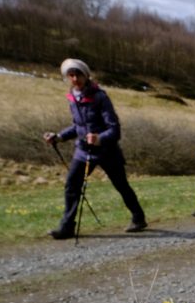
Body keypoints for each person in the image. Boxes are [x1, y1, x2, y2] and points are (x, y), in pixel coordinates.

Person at [43, 58, 147, 240]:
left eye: (78, 75)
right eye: (71, 75)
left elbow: (115, 129)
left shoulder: (100, 97)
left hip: (108, 152)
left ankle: (138, 218)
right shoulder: (73, 98)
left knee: (121, 185)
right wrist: (58, 137)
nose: (74, 79)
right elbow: (78, 126)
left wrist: (100, 138)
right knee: (72, 186)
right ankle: (67, 227)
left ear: (86, 75)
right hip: (83, 151)